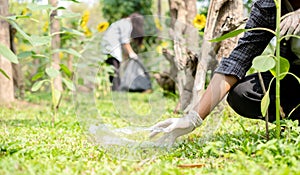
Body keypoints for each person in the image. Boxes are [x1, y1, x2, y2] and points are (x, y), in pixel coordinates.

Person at [150, 0, 300, 146]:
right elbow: (238, 60)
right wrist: (193, 119)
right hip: (293, 76)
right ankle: (294, 122)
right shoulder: (267, 5)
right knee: (242, 93)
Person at [101, 13, 144, 91]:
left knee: (113, 70)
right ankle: (116, 91)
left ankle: (115, 90)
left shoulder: (122, 22)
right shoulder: (127, 24)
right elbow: (125, 41)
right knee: (114, 71)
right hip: (111, 48)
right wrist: (131, 53)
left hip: (106, 47)